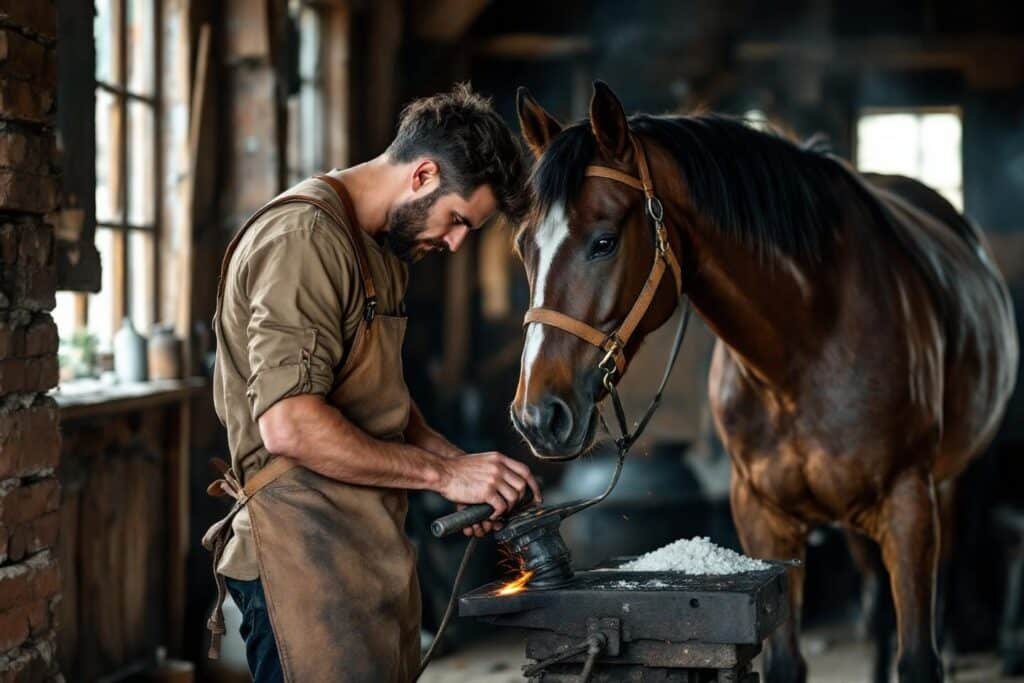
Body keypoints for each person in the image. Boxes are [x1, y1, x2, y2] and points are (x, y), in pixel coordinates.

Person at [203, 84, 541, 682]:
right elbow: (289, 424)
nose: (456, 242)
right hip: (297, 555)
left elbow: (383, 402)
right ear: (422, 175)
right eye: (457, 220)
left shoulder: (382, 251)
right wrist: (443, 474)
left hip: (360, 548)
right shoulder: (305, 240)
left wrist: (464, 470)